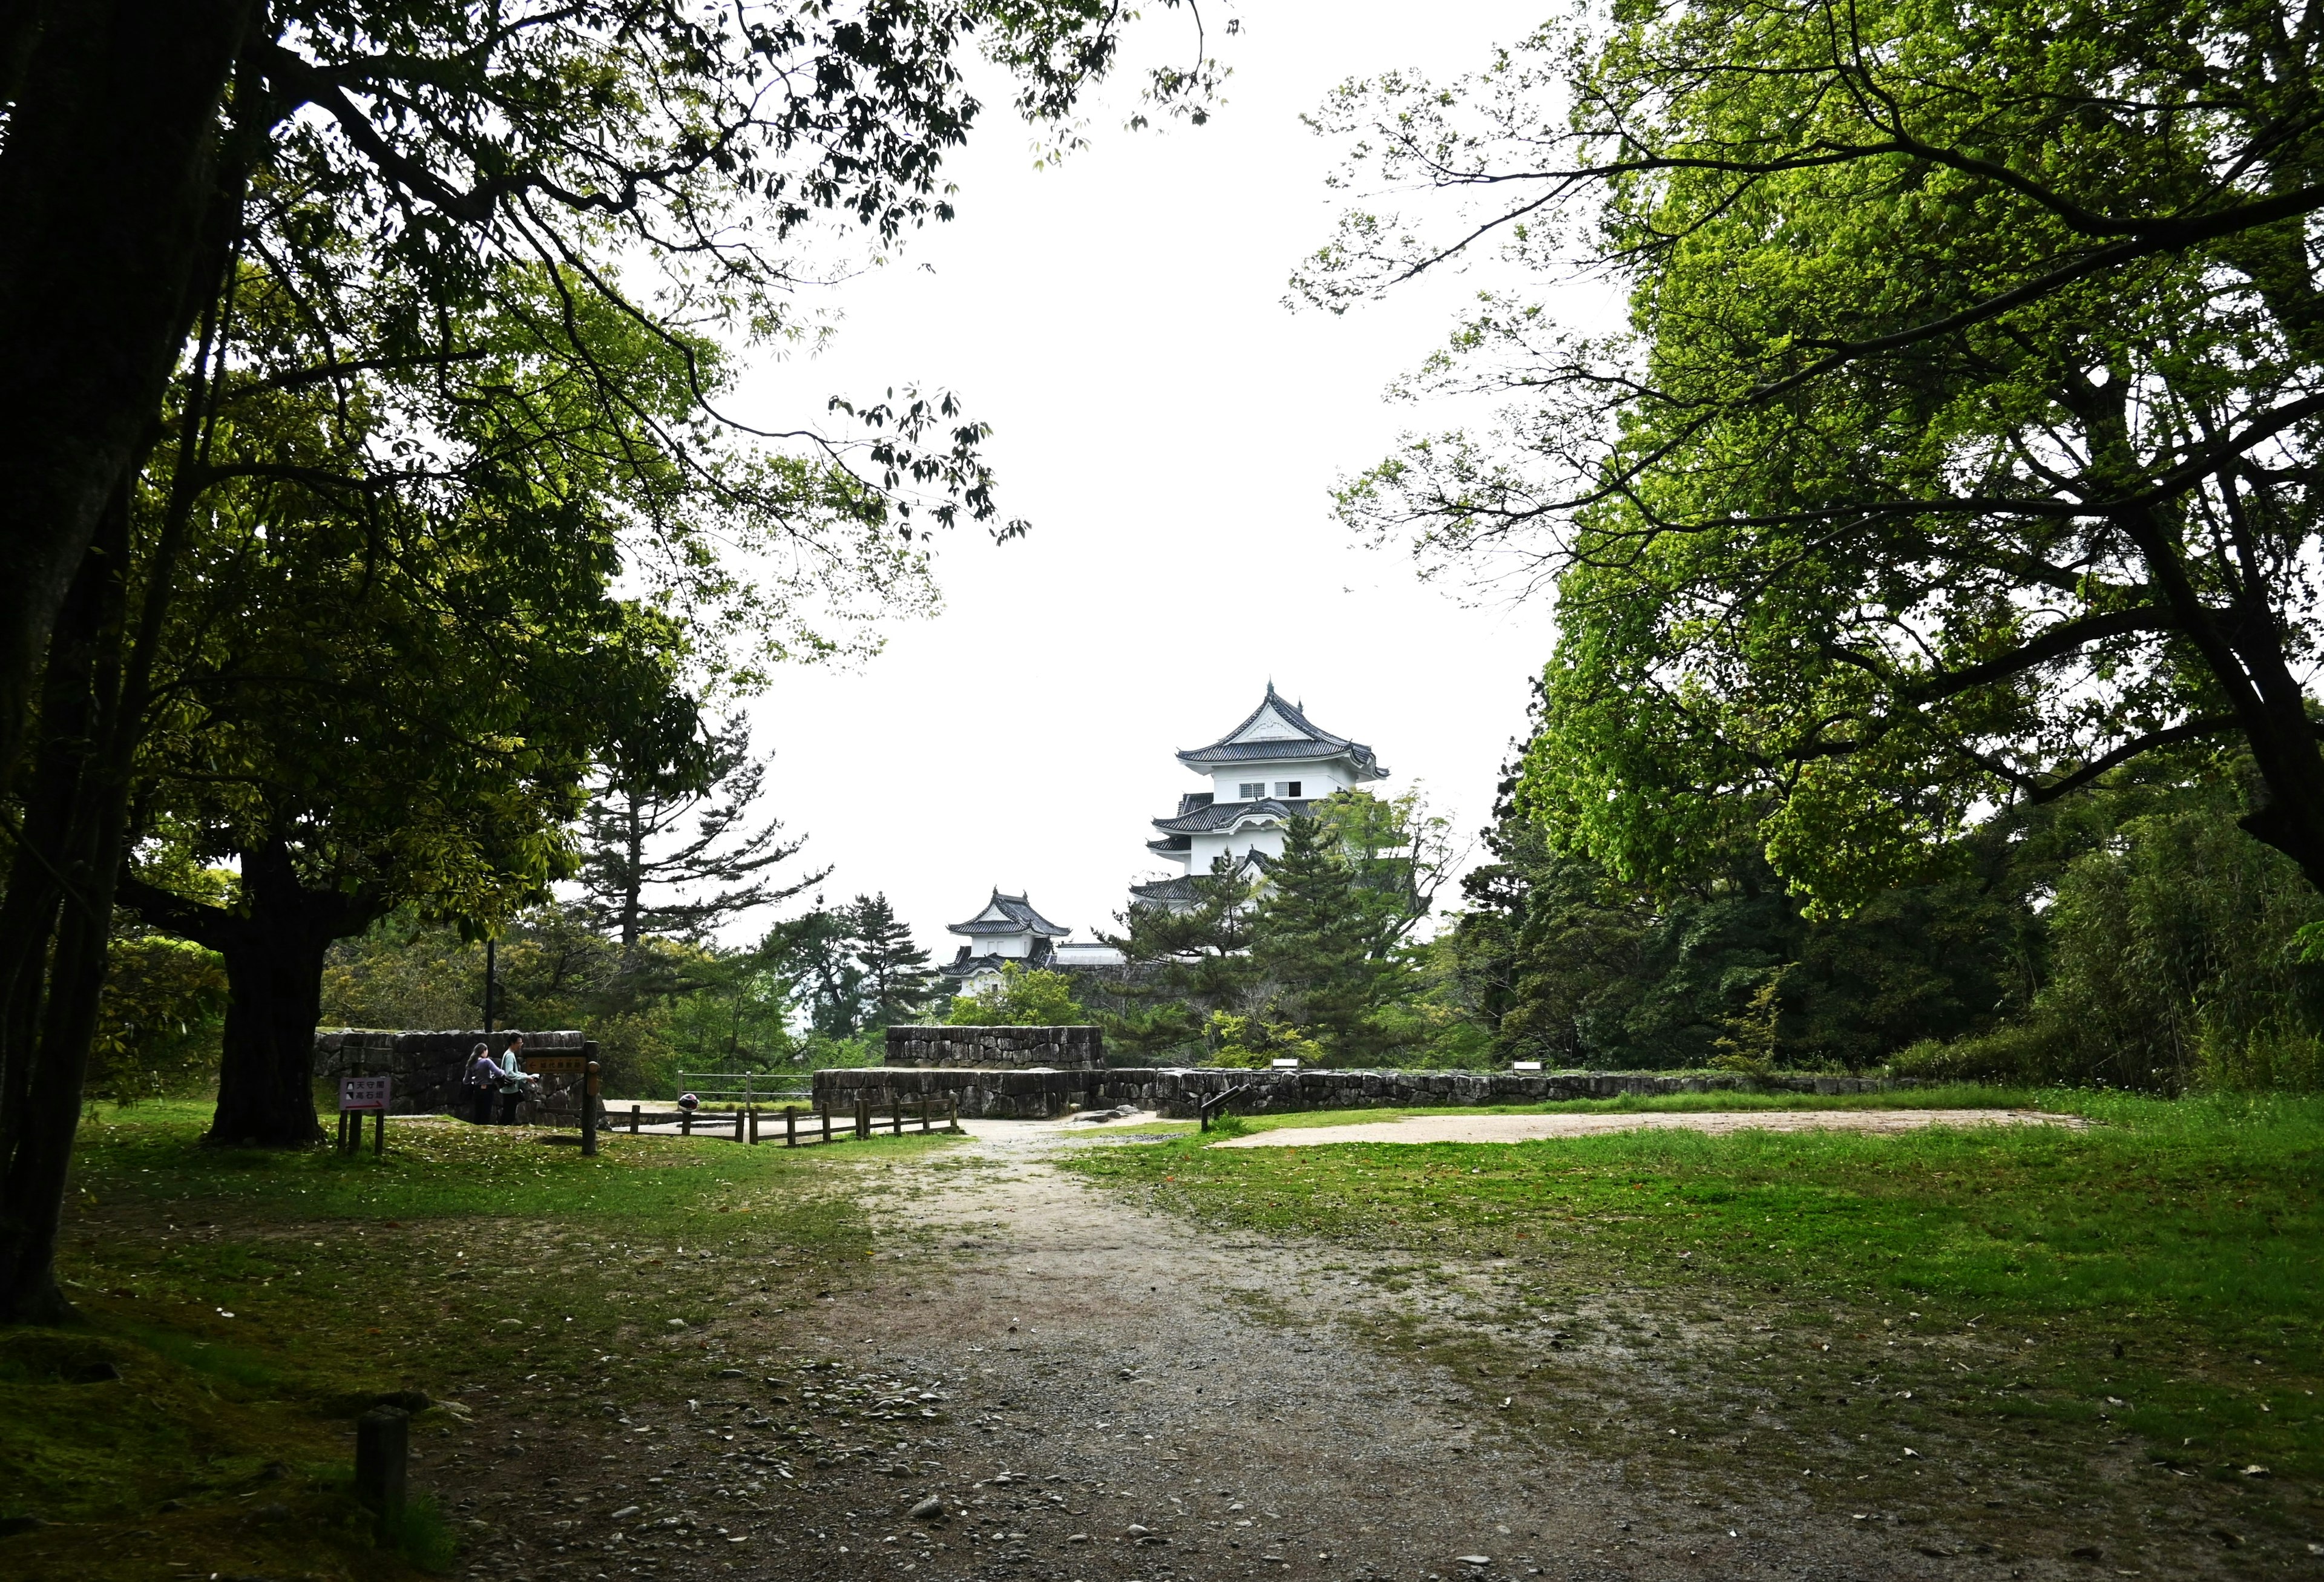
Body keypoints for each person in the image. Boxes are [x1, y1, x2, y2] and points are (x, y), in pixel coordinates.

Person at [495, 1035, 528, 1126]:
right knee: (509, 1114)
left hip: (509, 1089)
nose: (520, 1045)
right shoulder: (510, 1056)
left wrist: (525, 1076)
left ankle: (502, 1130)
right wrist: (525, 1078)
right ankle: (504, 1131)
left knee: (507, 1112)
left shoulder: (509, 1054)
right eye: (519, 1043)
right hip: (510, 1089)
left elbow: (513, 1072)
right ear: (512, 1043)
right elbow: (510, 1073)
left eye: (521, 1043)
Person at [462, 1042, 497, 1125]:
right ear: (484, 1051)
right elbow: (498, 1072)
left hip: (477, 1090)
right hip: (488, 1089)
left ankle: (476, 1128)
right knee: (486, 1111)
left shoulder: (471, 1063)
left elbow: (466, 1081)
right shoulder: (487, 1062)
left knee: (478, 1111)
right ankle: (484, 1127)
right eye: (487, 1050)